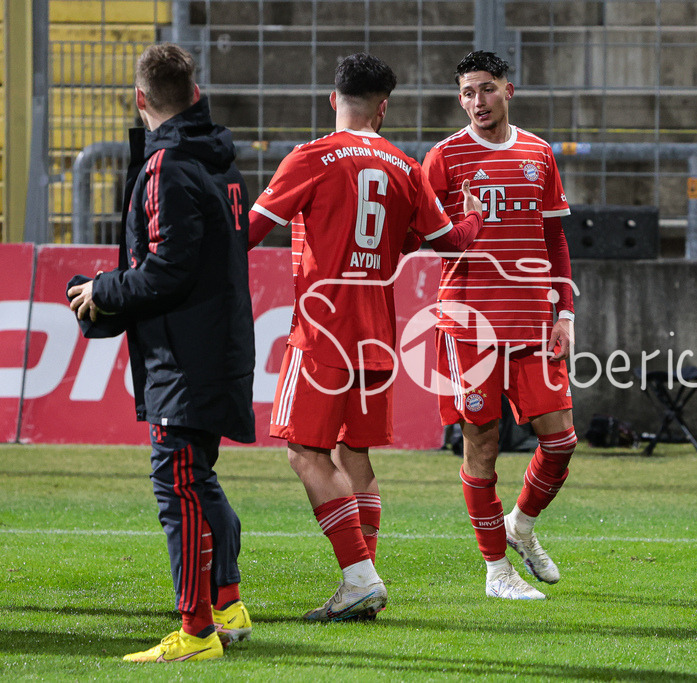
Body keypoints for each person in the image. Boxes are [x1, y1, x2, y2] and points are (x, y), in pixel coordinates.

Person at [247, 52, 483, 621]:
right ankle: (362, 583)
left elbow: (250, 231)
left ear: (334, 100)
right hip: (378, 332)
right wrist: (472, 217)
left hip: (323, 330)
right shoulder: (406, 167)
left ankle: (360, 578)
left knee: (304, 450)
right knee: (356, 452)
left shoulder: (313, 157)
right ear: (383, 108)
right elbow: (449, 243)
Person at [67, 43, 255, 662]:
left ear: (141, 98)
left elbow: (167, 269)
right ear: (195, 94)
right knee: (199, 480)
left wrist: (102, 289)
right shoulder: (219, 160)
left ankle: (196, 632)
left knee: (177, 484)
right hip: (218, 343)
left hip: (184, 354)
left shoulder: (167, 165)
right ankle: (226, 603)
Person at [419, 50, 578, 600]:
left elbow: (555, 240)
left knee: (560, 441)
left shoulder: (538, 153)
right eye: (466, 92)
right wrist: (458, 227)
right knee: (482, 447)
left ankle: (521, 527)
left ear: (509, 89)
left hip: (535, 321)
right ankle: (496, 572)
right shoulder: (443, 158)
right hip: (471, 328)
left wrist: (565, 312)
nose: (476, 102)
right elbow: (421, 234)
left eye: (486, 89)